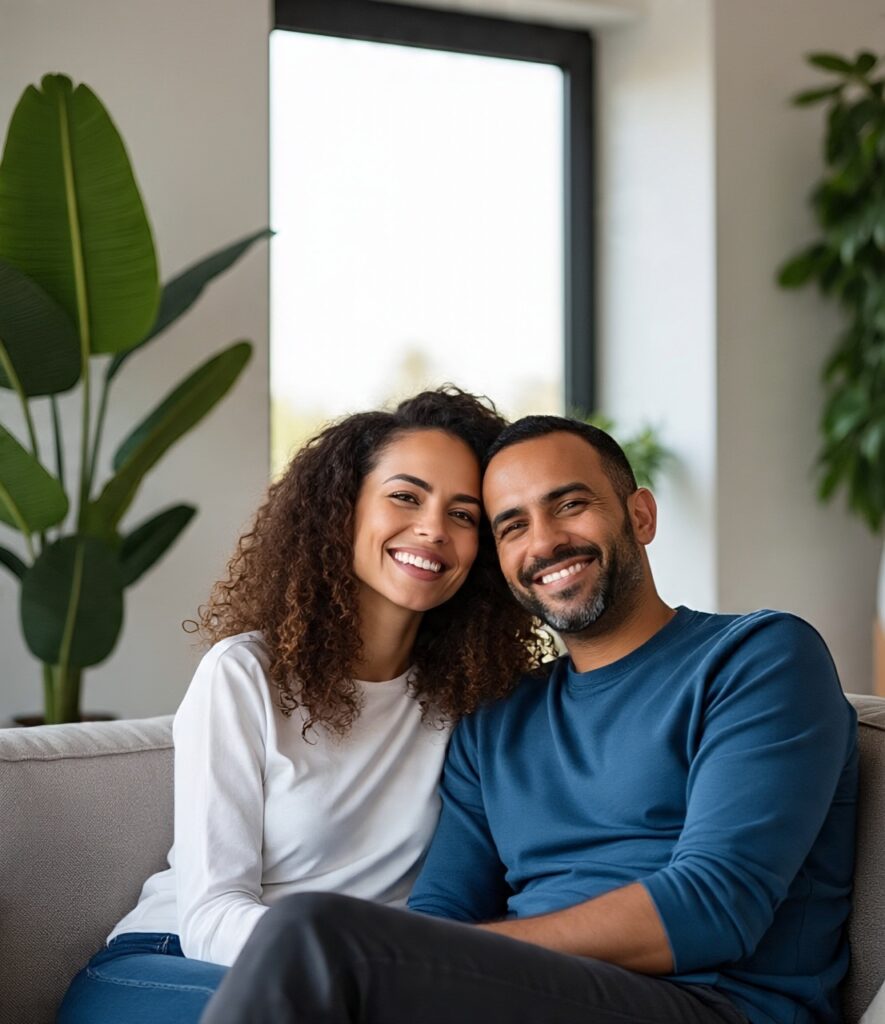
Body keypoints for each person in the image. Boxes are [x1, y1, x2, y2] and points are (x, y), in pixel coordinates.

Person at [202, 414, 859, 1024]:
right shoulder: (497, 716)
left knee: (311, 934)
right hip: (528, 999)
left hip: (712, 1003)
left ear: (640, 515)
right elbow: (441, 910)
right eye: (511, 526)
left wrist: (440, 959)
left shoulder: (757, 658)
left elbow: (714, 908)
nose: (543, 542)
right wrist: (440, 960)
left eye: (569, 504)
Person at [57, 388, 550, 1024]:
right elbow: (209, 917)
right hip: (173, 966)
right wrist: (357, 971)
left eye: (464, 515)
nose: (433, 528)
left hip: (354, 990)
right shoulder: (246, 674)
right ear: (344, 510)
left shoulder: (473, 697)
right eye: (405, 496)